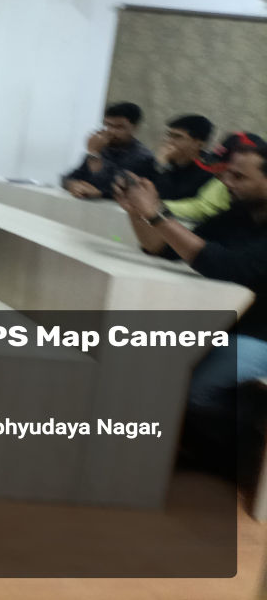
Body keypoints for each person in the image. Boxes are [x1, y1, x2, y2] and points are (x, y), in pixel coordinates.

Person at [113, 134, 267, 473]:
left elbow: (230, 267)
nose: (226, 182)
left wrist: (157, 214)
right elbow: (164, 248)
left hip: (259, 335)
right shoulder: (238, 214)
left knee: (195, 393)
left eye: (239, 176)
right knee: (153, 366)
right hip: (227, 324)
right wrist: (137, 212)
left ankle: (236, 458)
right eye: (227, 173)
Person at [63, 101, 155, 199]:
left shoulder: (143, 157)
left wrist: (94, 155)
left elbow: (122, 189)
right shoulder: (102, 148)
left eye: (119, 127)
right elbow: (69, 177)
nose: (111, 132)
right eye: (108, 125)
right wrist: (72, 185)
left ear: (135, 128)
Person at [153, 114, 214, 200]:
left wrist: (163, 166)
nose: (169, 141)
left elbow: (171, 198)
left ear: (198, 144)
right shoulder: (170, 160)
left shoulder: (207, 172)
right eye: (169, 135)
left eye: (178, 137)